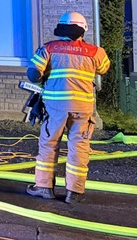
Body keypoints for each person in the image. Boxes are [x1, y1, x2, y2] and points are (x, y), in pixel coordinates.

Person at [25, 11, 111, 204]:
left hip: (56, 107)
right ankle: (75, 192)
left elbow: (33, 74)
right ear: (83, 29)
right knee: (79, 146)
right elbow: (104, 68)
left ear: (61, 28)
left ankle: (44, 187)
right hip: (83, 108)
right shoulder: (95, 52)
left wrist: (43, 78)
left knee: (49, 144)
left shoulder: (49, 49)